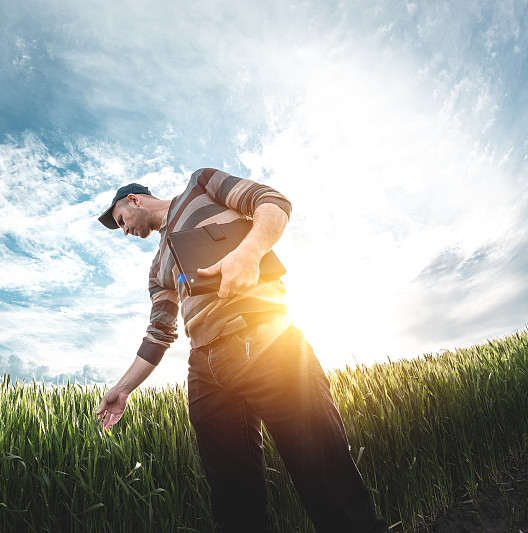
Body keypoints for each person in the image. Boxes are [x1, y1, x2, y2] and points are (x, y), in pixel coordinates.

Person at [95, 168, 388, 532]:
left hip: (266, 339)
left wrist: (248, 252)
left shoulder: (200, 184)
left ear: (134, 200)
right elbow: (158, 333)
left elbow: (273, 202)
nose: (125, 230)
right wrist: (123, 388)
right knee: (234, 503)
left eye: (122, 220)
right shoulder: (157, 268)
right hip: (205, 368)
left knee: (326, 478)